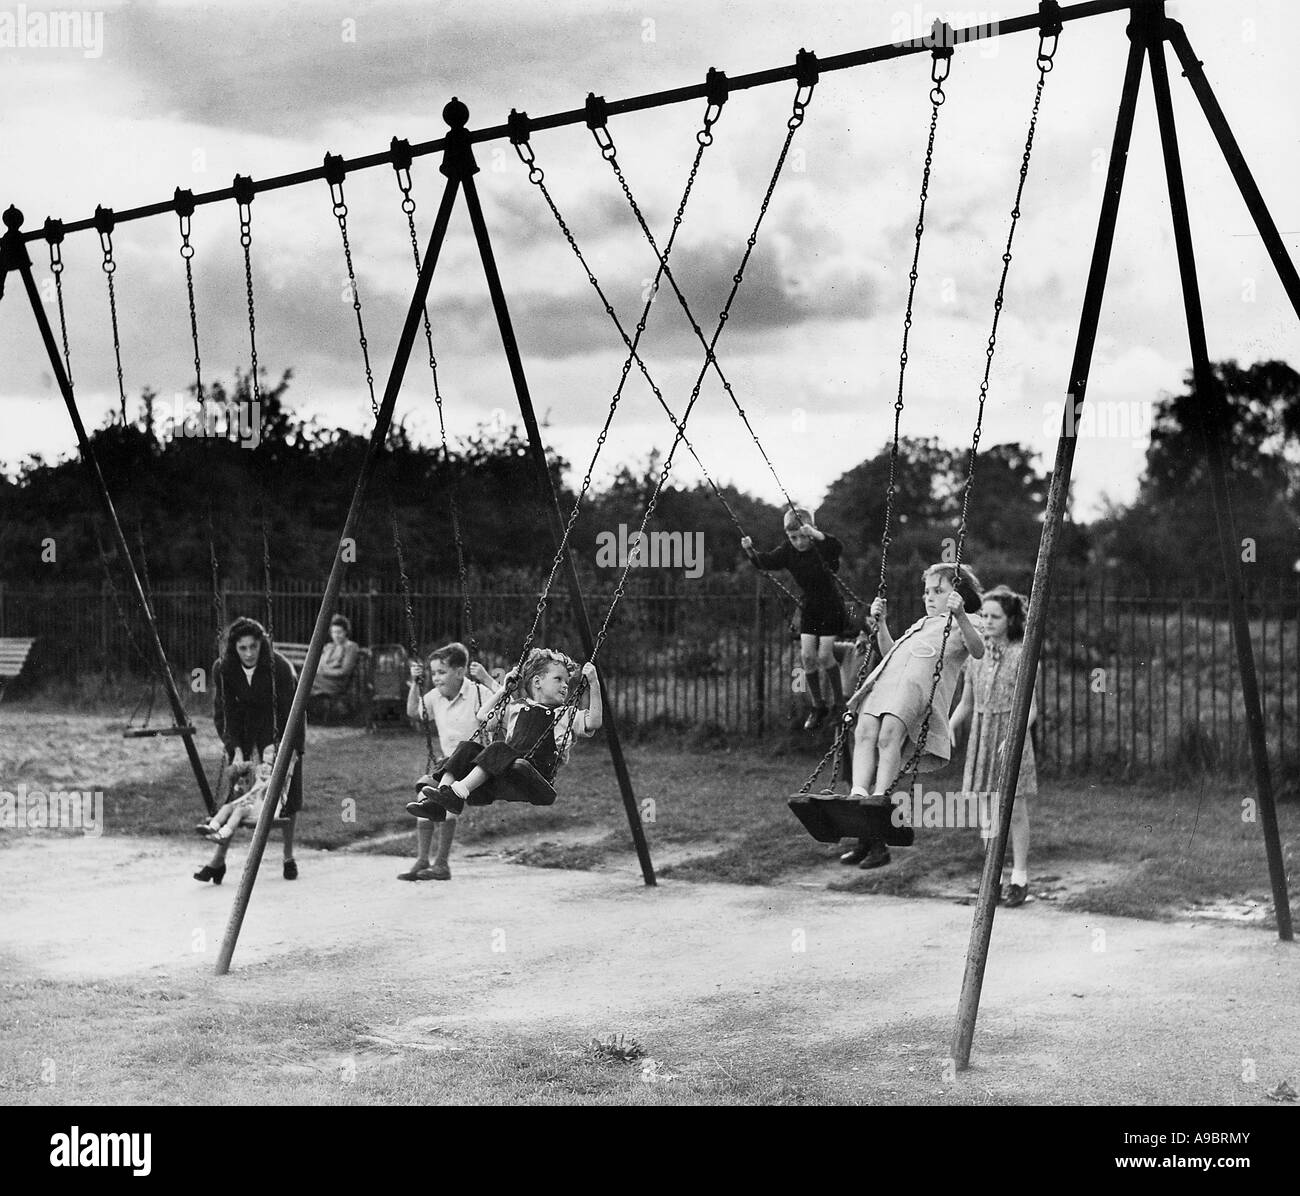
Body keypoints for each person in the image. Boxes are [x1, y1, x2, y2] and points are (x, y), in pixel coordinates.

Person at [841, 562, 985, 870]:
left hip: (915, 689)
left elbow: (978, 650)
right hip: (889, 682)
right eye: (926, 592)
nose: (929, 597)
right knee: (864, 732)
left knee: (888, 734)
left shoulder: (963, 623)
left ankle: (880, 796)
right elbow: (890, 651)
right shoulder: (919, 625)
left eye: (938, 591)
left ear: (958, 595)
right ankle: (858, 793)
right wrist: (881, 624)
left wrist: (960, 615)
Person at [405, 648, 600, 821]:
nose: (566, 685)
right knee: (467, 747)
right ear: (538, 682)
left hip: (532, 773)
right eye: (559, 679)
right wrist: (504, 690)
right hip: (504, 769)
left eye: (567, 681)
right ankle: (439, 800)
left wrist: (594, 683)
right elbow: (483, 716)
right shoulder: (517, 707)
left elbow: (594, 721)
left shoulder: (566, 714)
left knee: (498, 748)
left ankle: (458, 792)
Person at [194, 617, 305, 884]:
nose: (248, 653)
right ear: (234, 648)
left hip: (279, 729)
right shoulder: (224, 668)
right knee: (238, 793)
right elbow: (225, 711)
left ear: (261, 645)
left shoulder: (278, 667)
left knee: (285, 796)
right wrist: (234, 749)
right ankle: (217, 862)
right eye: (242, 648)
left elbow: (291, 710)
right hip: (243, 730)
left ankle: (288, 857)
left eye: (253, 647)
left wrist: (287, 748)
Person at [949, 585, 1038, 907]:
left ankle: (1020, 878)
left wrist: (1012, 736)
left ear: (1010, 618)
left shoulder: (1023, 654)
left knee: (1014, 809)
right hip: (983, 736)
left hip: (1010, 736)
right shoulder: (977, 654)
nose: (986, 622)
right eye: (983, 615)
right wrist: (948, 726)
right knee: (987, 811)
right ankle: (993, 878)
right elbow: (966, 703)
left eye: (994, 617)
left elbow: (1032, 709)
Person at [397, 642, 500, 882]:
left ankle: (441, 864)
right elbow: (414, 712)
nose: (436, 678)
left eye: (441, 672)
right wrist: (415, 683)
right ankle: (423, 860)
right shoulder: (435, 697)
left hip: (475, 764)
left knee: (447, 799)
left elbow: (505, 703)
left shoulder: (477, 692)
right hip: (447, 765)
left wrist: (486, 679)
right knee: (424, 795)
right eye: (433, 673)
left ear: (460, 672)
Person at [742, 507, 851, 730]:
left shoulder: (821, 548)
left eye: (803, 536)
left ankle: (840, 705)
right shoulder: (788, 552)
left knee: (824, 655)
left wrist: (816, 534)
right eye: (794, 538)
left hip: (831, 605)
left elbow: (836, 547)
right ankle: (818, 706)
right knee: (807, 657)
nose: (800, 542)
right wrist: (749, 550)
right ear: (787, 537)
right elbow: (765, 562)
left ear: (811, 532)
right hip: (810, 606)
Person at [194, 745, 285, 843]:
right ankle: (212, 827)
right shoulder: (259, 771)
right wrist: (236, 767)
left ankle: (223, 834)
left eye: (269, 764)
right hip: (248, 804)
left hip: (262, 809)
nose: (265, 766)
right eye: (264, 762)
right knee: (227, 807)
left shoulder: (278, 778)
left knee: (239, 810)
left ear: (277, 766)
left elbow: (270, 788)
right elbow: (251, 766)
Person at [307, 614, 361, 723]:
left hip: (337, 683)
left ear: (346, 632)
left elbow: (344, 671)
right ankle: (308, 716)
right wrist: (323, 670)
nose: (336, 635)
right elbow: (319, 665)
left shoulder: (351, 647)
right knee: (302, 682)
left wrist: (324, 671)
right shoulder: (328, 647)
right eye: (333, 632)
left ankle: (307, 717)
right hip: (322, 681)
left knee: (305, 682)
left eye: (339, 632)